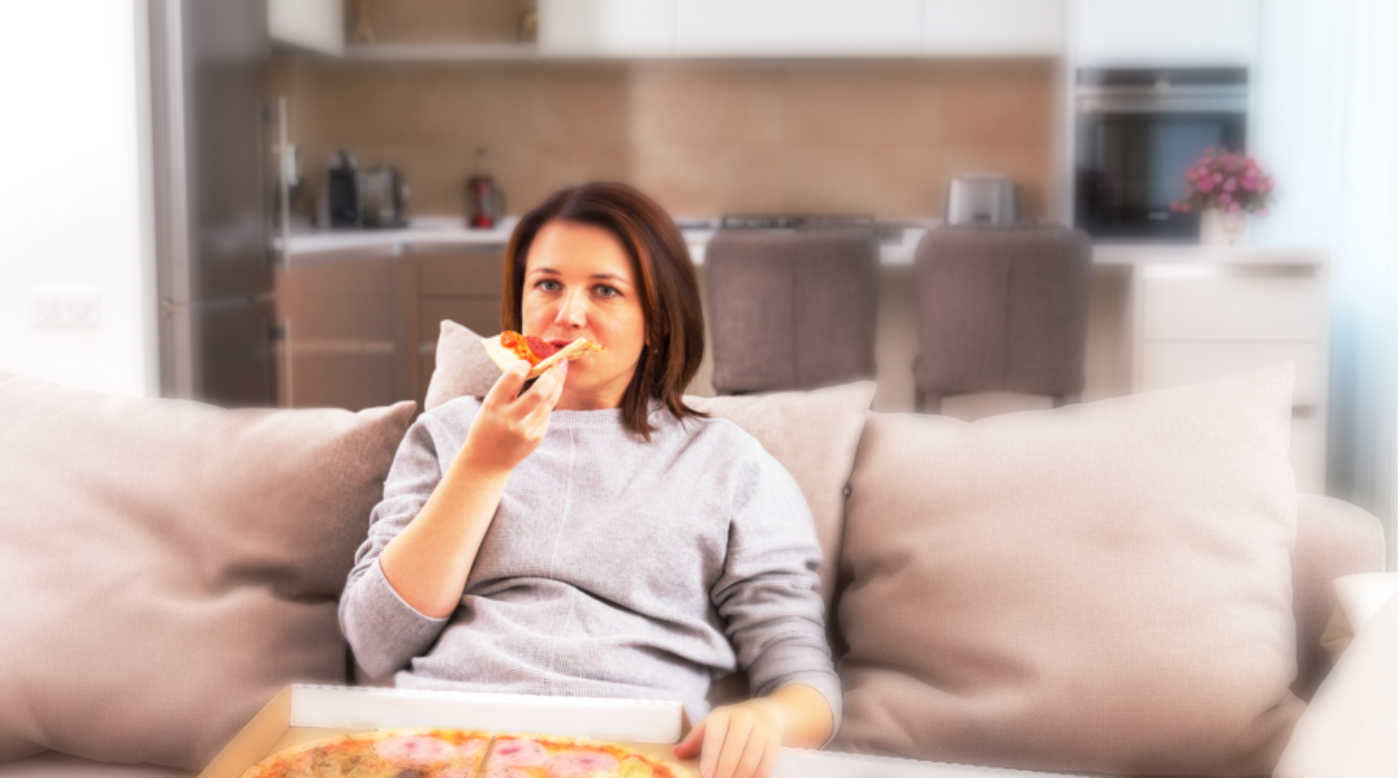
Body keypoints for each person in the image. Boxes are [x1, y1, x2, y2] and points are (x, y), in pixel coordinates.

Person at [339, 181, 839, 778]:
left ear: (657, 321)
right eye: (547, 284)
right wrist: (481, 468)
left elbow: (804, 680)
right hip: (447, 742)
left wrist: (769, 721)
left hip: (628, 756)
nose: (566, 315)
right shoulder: (450, 434)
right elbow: (374, 641)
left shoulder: (728, 462)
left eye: (604, 290)